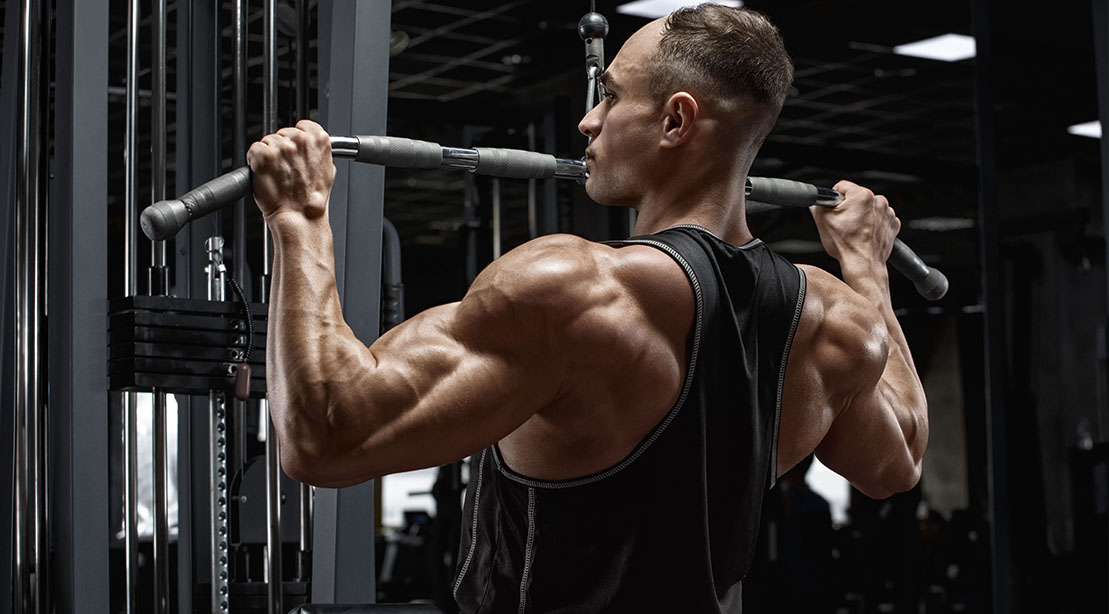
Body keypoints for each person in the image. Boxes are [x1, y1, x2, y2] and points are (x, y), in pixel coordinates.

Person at [246, 4, 929, 613]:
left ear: (674, 120)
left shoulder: (573, 290)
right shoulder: (835, 320)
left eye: (610, 95)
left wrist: (299, 217)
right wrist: (867, 267)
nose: (587, 120)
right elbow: (896, 462)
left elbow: (326, 438)